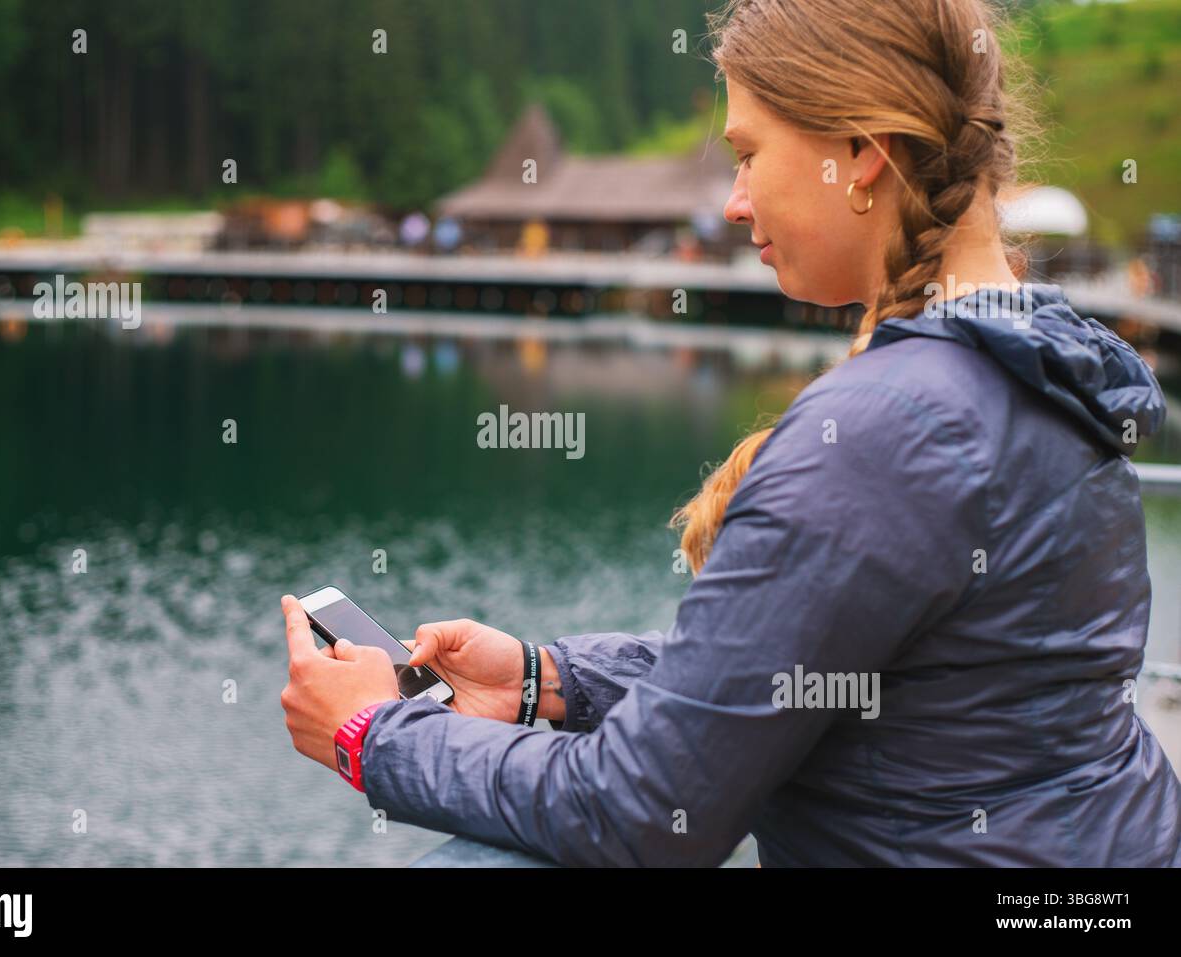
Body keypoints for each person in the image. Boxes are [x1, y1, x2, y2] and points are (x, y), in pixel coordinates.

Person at [279, 0, 1180, 866]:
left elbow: (639, 813)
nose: (735, 202)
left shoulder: (884, 436)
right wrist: (543, 680)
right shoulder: (1052, 372)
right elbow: (845, 682)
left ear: (861, 149)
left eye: (748, 153)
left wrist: (377, 733)